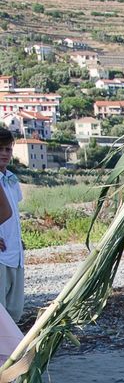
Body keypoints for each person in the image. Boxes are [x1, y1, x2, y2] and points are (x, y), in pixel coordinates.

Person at [0, 128, 23, 323]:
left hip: (15, 254)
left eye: (8, 149)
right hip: (0, 256)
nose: (4, 154)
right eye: (0, 149)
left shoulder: (12, 181)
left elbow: (14, 214)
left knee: (14, 312)